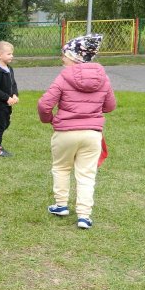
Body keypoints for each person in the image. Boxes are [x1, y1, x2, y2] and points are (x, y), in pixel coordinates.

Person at [37, 34, 116, 230]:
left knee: (61, 168)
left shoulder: (64, 77)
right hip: (92, 134)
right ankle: (84, 216)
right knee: (86, 174)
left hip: (65, 133)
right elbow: (110, 106)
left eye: (64, 54)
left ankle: (61, 204)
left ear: (73, 57)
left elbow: (45, 104)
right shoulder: (103, 78)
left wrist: (49, 119)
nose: (62, 58)